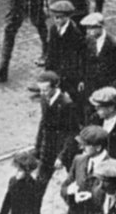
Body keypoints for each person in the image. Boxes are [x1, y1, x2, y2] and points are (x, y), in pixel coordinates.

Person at [34, 70, 80, 199]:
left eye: (45, 90)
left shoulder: (67, 104)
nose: (42, 93)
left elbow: (73, 132)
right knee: (39, 185)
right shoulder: (44, 99)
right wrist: (38, 147)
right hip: (47, 148)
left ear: (55, 87)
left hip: (65, 149)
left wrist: (62, 156)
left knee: (74, 184)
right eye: (40, 90)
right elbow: (43, 123)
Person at [80, 12, 116, 99]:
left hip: (111, 90)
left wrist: (113, 87)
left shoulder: (115, 44)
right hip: (93, 88)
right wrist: (82, 80)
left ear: (100, 27)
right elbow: (84, 62)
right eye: (87, 28)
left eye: (92, 28)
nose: (88, 31)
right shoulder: (88, 41)